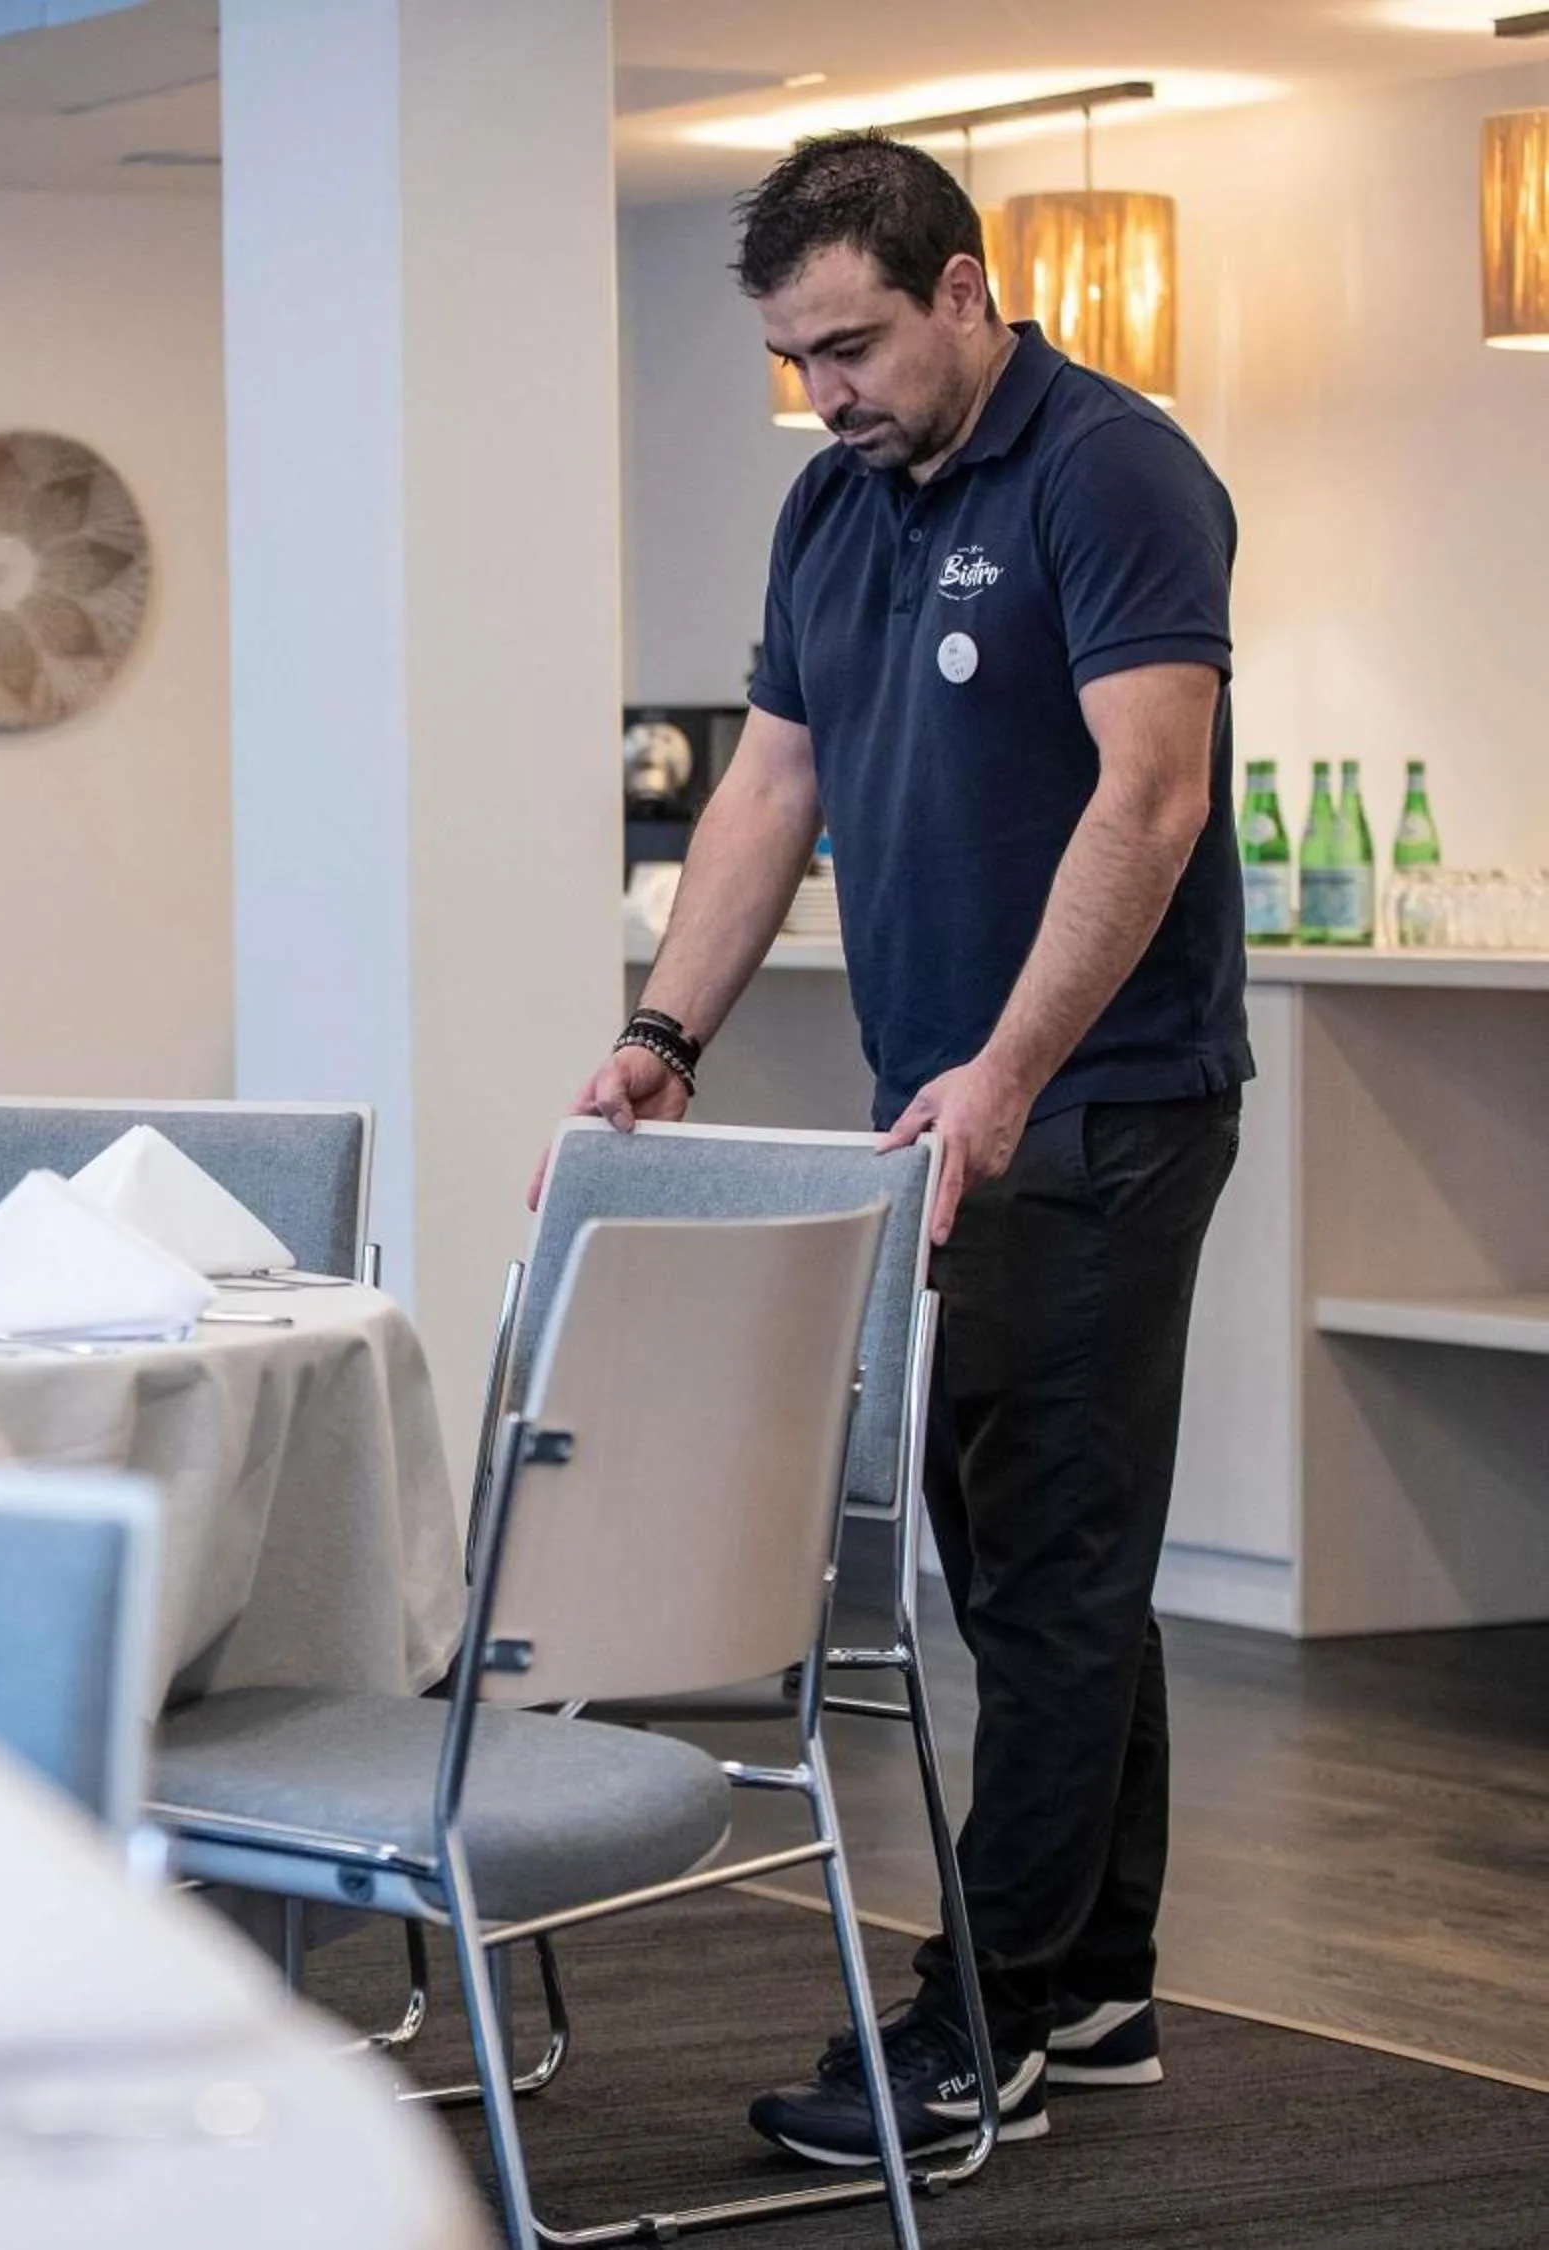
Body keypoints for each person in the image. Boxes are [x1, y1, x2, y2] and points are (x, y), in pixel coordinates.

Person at [544, 133, 1248, 2166]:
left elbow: (1155, 795)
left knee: (1036, 1563)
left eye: (852, 346)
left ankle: (983, 2026)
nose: (828, 394)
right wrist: (659, 1033)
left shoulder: (1110, 472)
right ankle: (1095, 1980)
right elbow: (771, 784)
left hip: (1097, 1106)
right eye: (795, 361)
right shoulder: (833, 509)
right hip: (941, 1106)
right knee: (1046, 1551)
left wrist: (1015, 1068)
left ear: (966, 291)